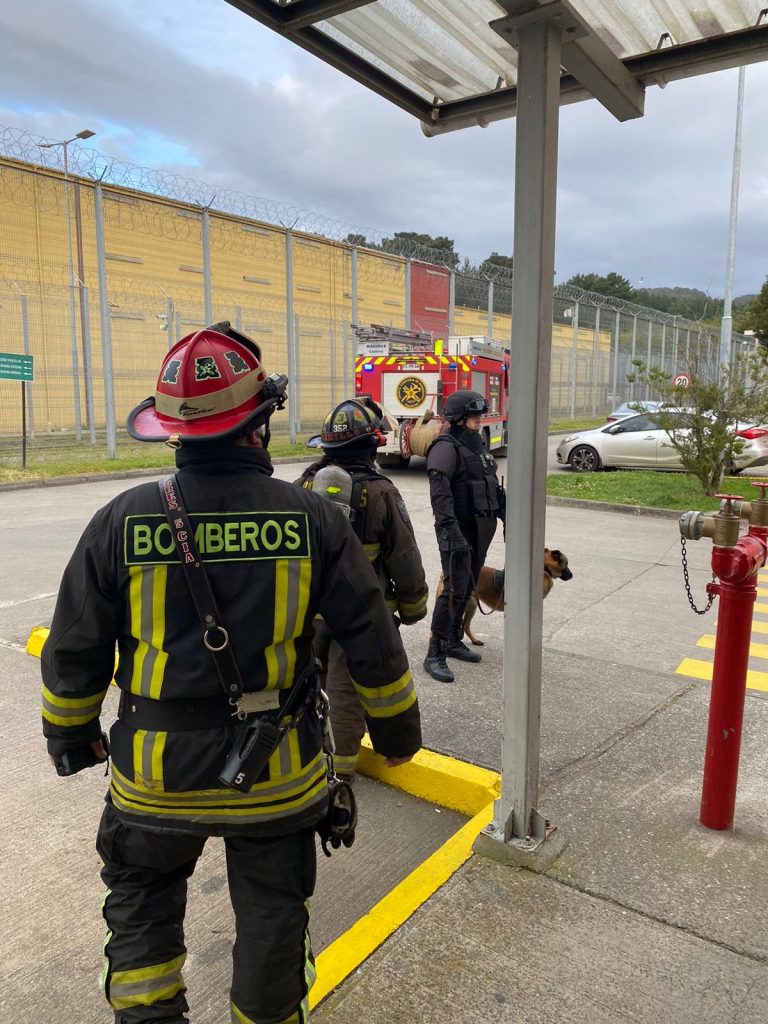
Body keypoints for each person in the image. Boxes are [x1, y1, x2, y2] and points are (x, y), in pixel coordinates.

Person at [40, 322, 422, 1024]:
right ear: (259, 422)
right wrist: (398, 736)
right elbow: (372, 642)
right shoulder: (314, 520)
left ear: (172, 432)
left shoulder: (120, 520)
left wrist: (70, 737)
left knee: (142, 912)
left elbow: (74, 647)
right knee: (274, 918)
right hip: (277, 777)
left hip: (153, 779)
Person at [296, 397, 429, 778]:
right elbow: (404, 556)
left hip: (309, 612)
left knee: (306, 683)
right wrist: (413, 607)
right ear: (372, 446)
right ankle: (337, 774)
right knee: (345, 692)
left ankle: (307, 761)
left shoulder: (303, 487)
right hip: (362, 616)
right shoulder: (382, 492)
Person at [423, 389, 506, 683]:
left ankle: (453, 639)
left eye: (479, 415)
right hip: (457, 530)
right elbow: (440, 495)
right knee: (454, 590)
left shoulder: (476, 444)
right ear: (459, 418)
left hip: (480, 530)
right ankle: (435, 653)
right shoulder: (446, 447)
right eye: (474, 415)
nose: (479, 419)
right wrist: (451, 530)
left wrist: (504, 511)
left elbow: (489, 484)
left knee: (468, 587)